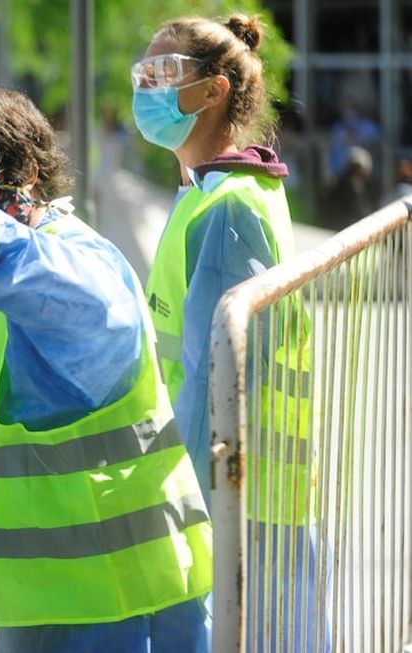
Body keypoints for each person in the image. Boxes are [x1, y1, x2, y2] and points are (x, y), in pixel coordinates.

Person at [0, 85, 212, 652]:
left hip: (124, 608)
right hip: (45, 606)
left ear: (27, 170)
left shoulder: (70, 257)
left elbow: (73, 302)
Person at [132, 14, 325, 651]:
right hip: (247, 488)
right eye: (141, 74)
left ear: (214, 90)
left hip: (234, 493)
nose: (145, 89)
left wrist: (179, 498)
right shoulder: (212, 191)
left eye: (163, 73)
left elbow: (217, 374)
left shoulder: (228, 204)